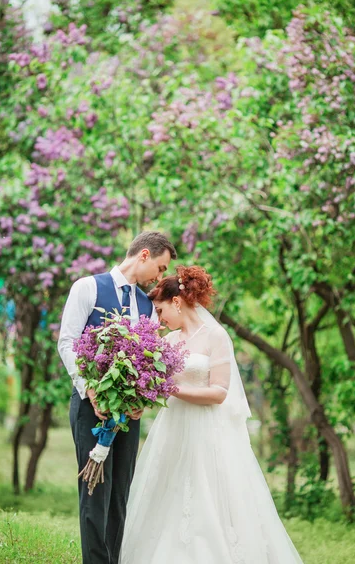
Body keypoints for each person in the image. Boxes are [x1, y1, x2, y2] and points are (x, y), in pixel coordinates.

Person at [119, 265, 304, 564]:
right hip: (173, 430)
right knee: (169, 497)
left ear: (176, 302)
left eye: (160, 309)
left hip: (207, 431)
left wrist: (171, 390)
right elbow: (156, 387)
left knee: (208, 499)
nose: (159, 318)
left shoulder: (216, 337)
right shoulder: (167, 342)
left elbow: (219, 393)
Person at [58, 231, 177, 564]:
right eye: (160, 266)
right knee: (95, 493)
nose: (161, 276)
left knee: (120, 493)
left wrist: (141, 399)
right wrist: (89, 388)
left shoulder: (147, 307)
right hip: (89, 408)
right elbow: (67, 343)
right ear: (143, 255)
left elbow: (149, 359)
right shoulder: (87, 287)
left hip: (129, 417)